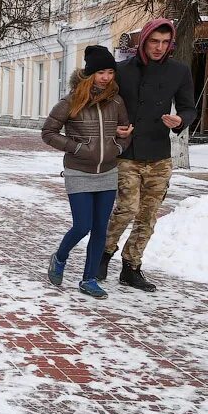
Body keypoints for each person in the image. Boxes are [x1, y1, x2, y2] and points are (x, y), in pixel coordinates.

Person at [98, 18, 197, 291]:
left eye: (165, 42)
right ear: (144, 41)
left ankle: (131, 267)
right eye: (155, 41)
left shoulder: (179, 71)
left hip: (158, 154)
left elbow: (189, 108)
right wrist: (112, 128)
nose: (159, 47)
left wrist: (181, 121)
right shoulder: (122, 70)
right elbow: (102, 106)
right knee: (127, 208)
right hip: (127, 152)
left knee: (148, 214)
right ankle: (103, 256)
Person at [42, 46, 133, 299]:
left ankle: (89, 279)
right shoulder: (71, 101)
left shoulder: (116, 101)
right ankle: (60, 257)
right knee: (82, 225)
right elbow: (48, 133)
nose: (105, 77)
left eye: (110, 72)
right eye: (100, 72)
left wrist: (118, 146)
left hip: (108, 171)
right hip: (79, 170)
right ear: (89, 73)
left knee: (100, 229)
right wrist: (77, 147)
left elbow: (126, 129)